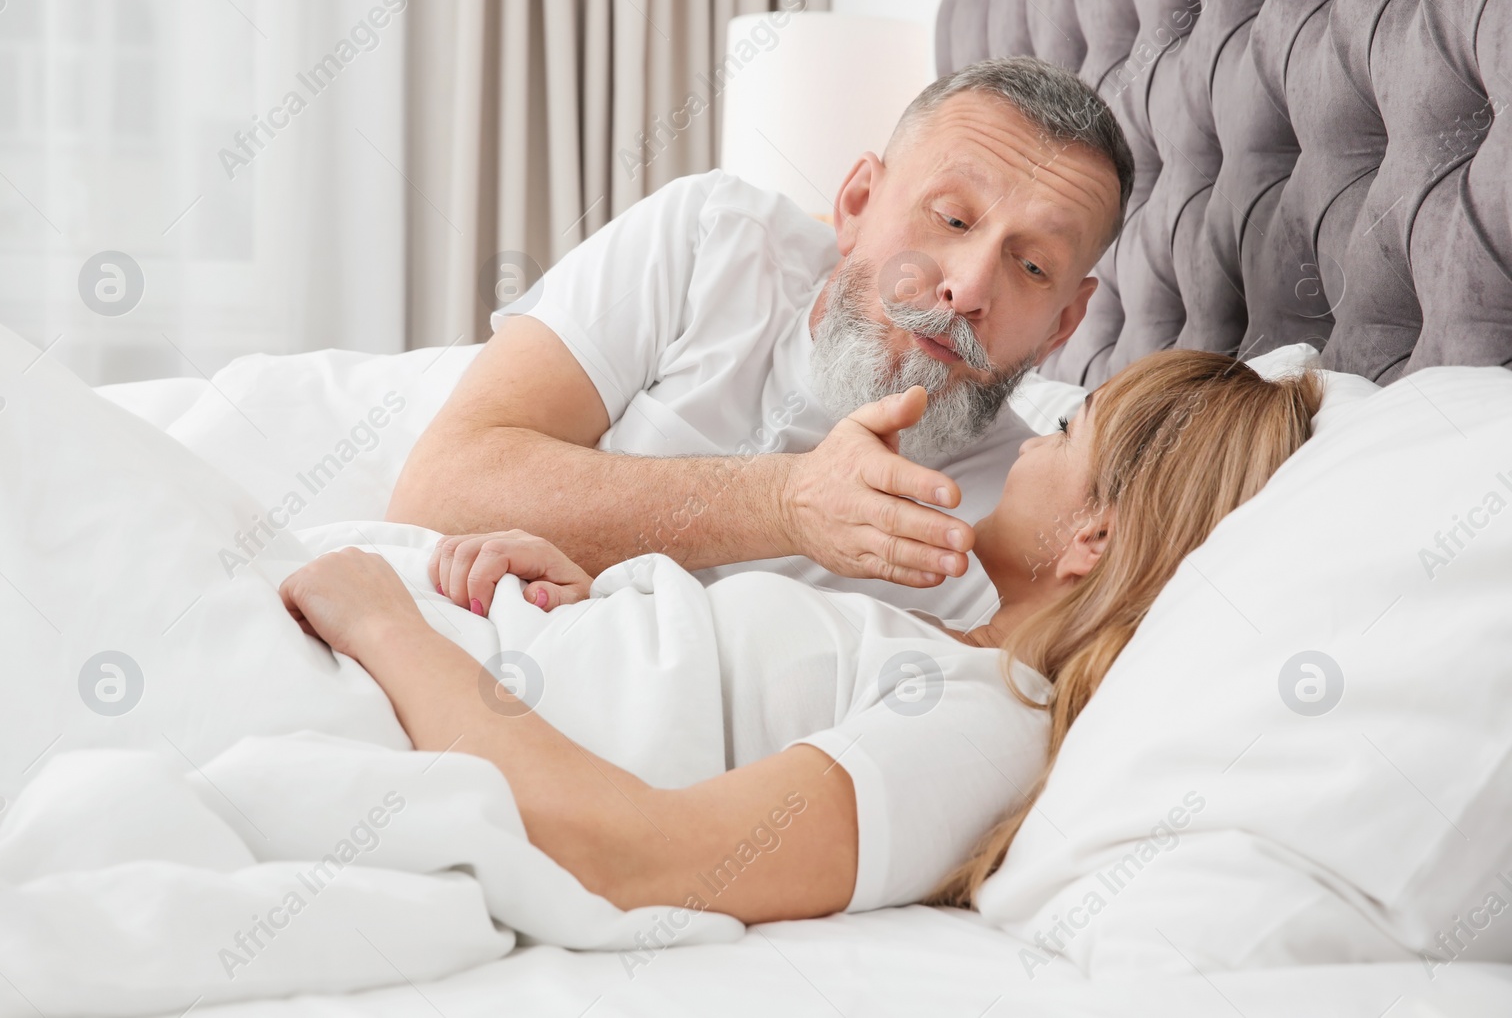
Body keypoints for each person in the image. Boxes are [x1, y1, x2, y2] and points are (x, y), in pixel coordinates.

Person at [280, 351, 1323, 923]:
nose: (1030, 442)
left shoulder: (988, 724)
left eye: (1063, 429)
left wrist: (384, 624)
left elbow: (635, 857)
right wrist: (592, 594)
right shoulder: (943, 646)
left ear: (1089, 536)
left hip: (374, 682)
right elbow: (711, 692)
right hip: (401, 642)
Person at [385, 56, 1135, 621]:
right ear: (857, 203)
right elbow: (438, 488)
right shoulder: (709, 237)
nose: (968, 289)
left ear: (1063, 326)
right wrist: (785, 503)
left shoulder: (1031, 522)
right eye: (952, 218)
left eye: (1033, 266)